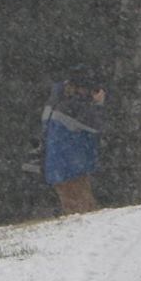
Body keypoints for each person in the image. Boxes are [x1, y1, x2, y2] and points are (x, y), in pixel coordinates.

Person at [42, 66, 107, 215]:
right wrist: (98, 104)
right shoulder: (73, 108)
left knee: (71, 209)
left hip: (56, 166)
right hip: (72, 167)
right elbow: (97, 126)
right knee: (85, 210)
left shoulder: (54, 105)